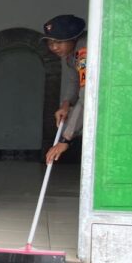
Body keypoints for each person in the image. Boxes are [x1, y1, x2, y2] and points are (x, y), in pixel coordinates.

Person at [42, 15, 87, 164]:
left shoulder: (84, 52)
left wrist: (65, 138)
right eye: (50, 42)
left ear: (74, 38)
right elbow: (74, 80)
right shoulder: (71, 55)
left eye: (59, 42)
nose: (54, 47)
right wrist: (66, 104)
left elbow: (87, 95)